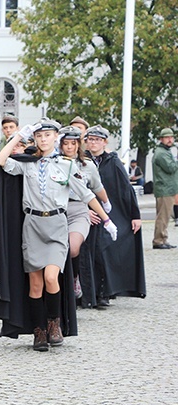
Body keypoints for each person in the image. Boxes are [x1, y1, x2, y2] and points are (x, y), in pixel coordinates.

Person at [0, 119, 117, 351]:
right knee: (35, 283)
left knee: (52, 277)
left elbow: (87, 194)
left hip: (56, 223)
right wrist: (19, 136)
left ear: (55, 138)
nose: (43, 139)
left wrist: (107, 219)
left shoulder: (66, 165)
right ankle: (39, 331)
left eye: (47, 135)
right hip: (32, 224)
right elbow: (0, 161)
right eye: (39, 136)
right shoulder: (28, 164)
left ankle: (54, 323)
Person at [83, 125, 145, 307]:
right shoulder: (80, 160)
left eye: (97, 139)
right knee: (87, 252)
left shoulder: (113, 162)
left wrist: (135, 214)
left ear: (104, 142)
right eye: (91, 139)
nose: (94, 143)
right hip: (84, 211)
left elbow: (126, 189)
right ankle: (87, 292)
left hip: (110, 212)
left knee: (105, 249)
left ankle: (104, 291)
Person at [58, 126, 111, 299]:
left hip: (79, 208)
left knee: (73, 248)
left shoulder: (87, 165)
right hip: (57, 209)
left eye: (73, 143)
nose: (69, 147)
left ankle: (74, 278)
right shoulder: (54, 163)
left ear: (79, 145)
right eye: (65, 143)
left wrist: (106, 202)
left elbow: (97, 187)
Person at [151, 128, 177, 249]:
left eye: (171, 137)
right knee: (162, 216)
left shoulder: (165, 151)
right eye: (167, 137)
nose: (170, 139)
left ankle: (163, 239)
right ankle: (158, 240)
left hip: (167, 188)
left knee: (165, 216)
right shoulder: (161, 153)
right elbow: (171, 168)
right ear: (161, 139)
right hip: (164, 189)